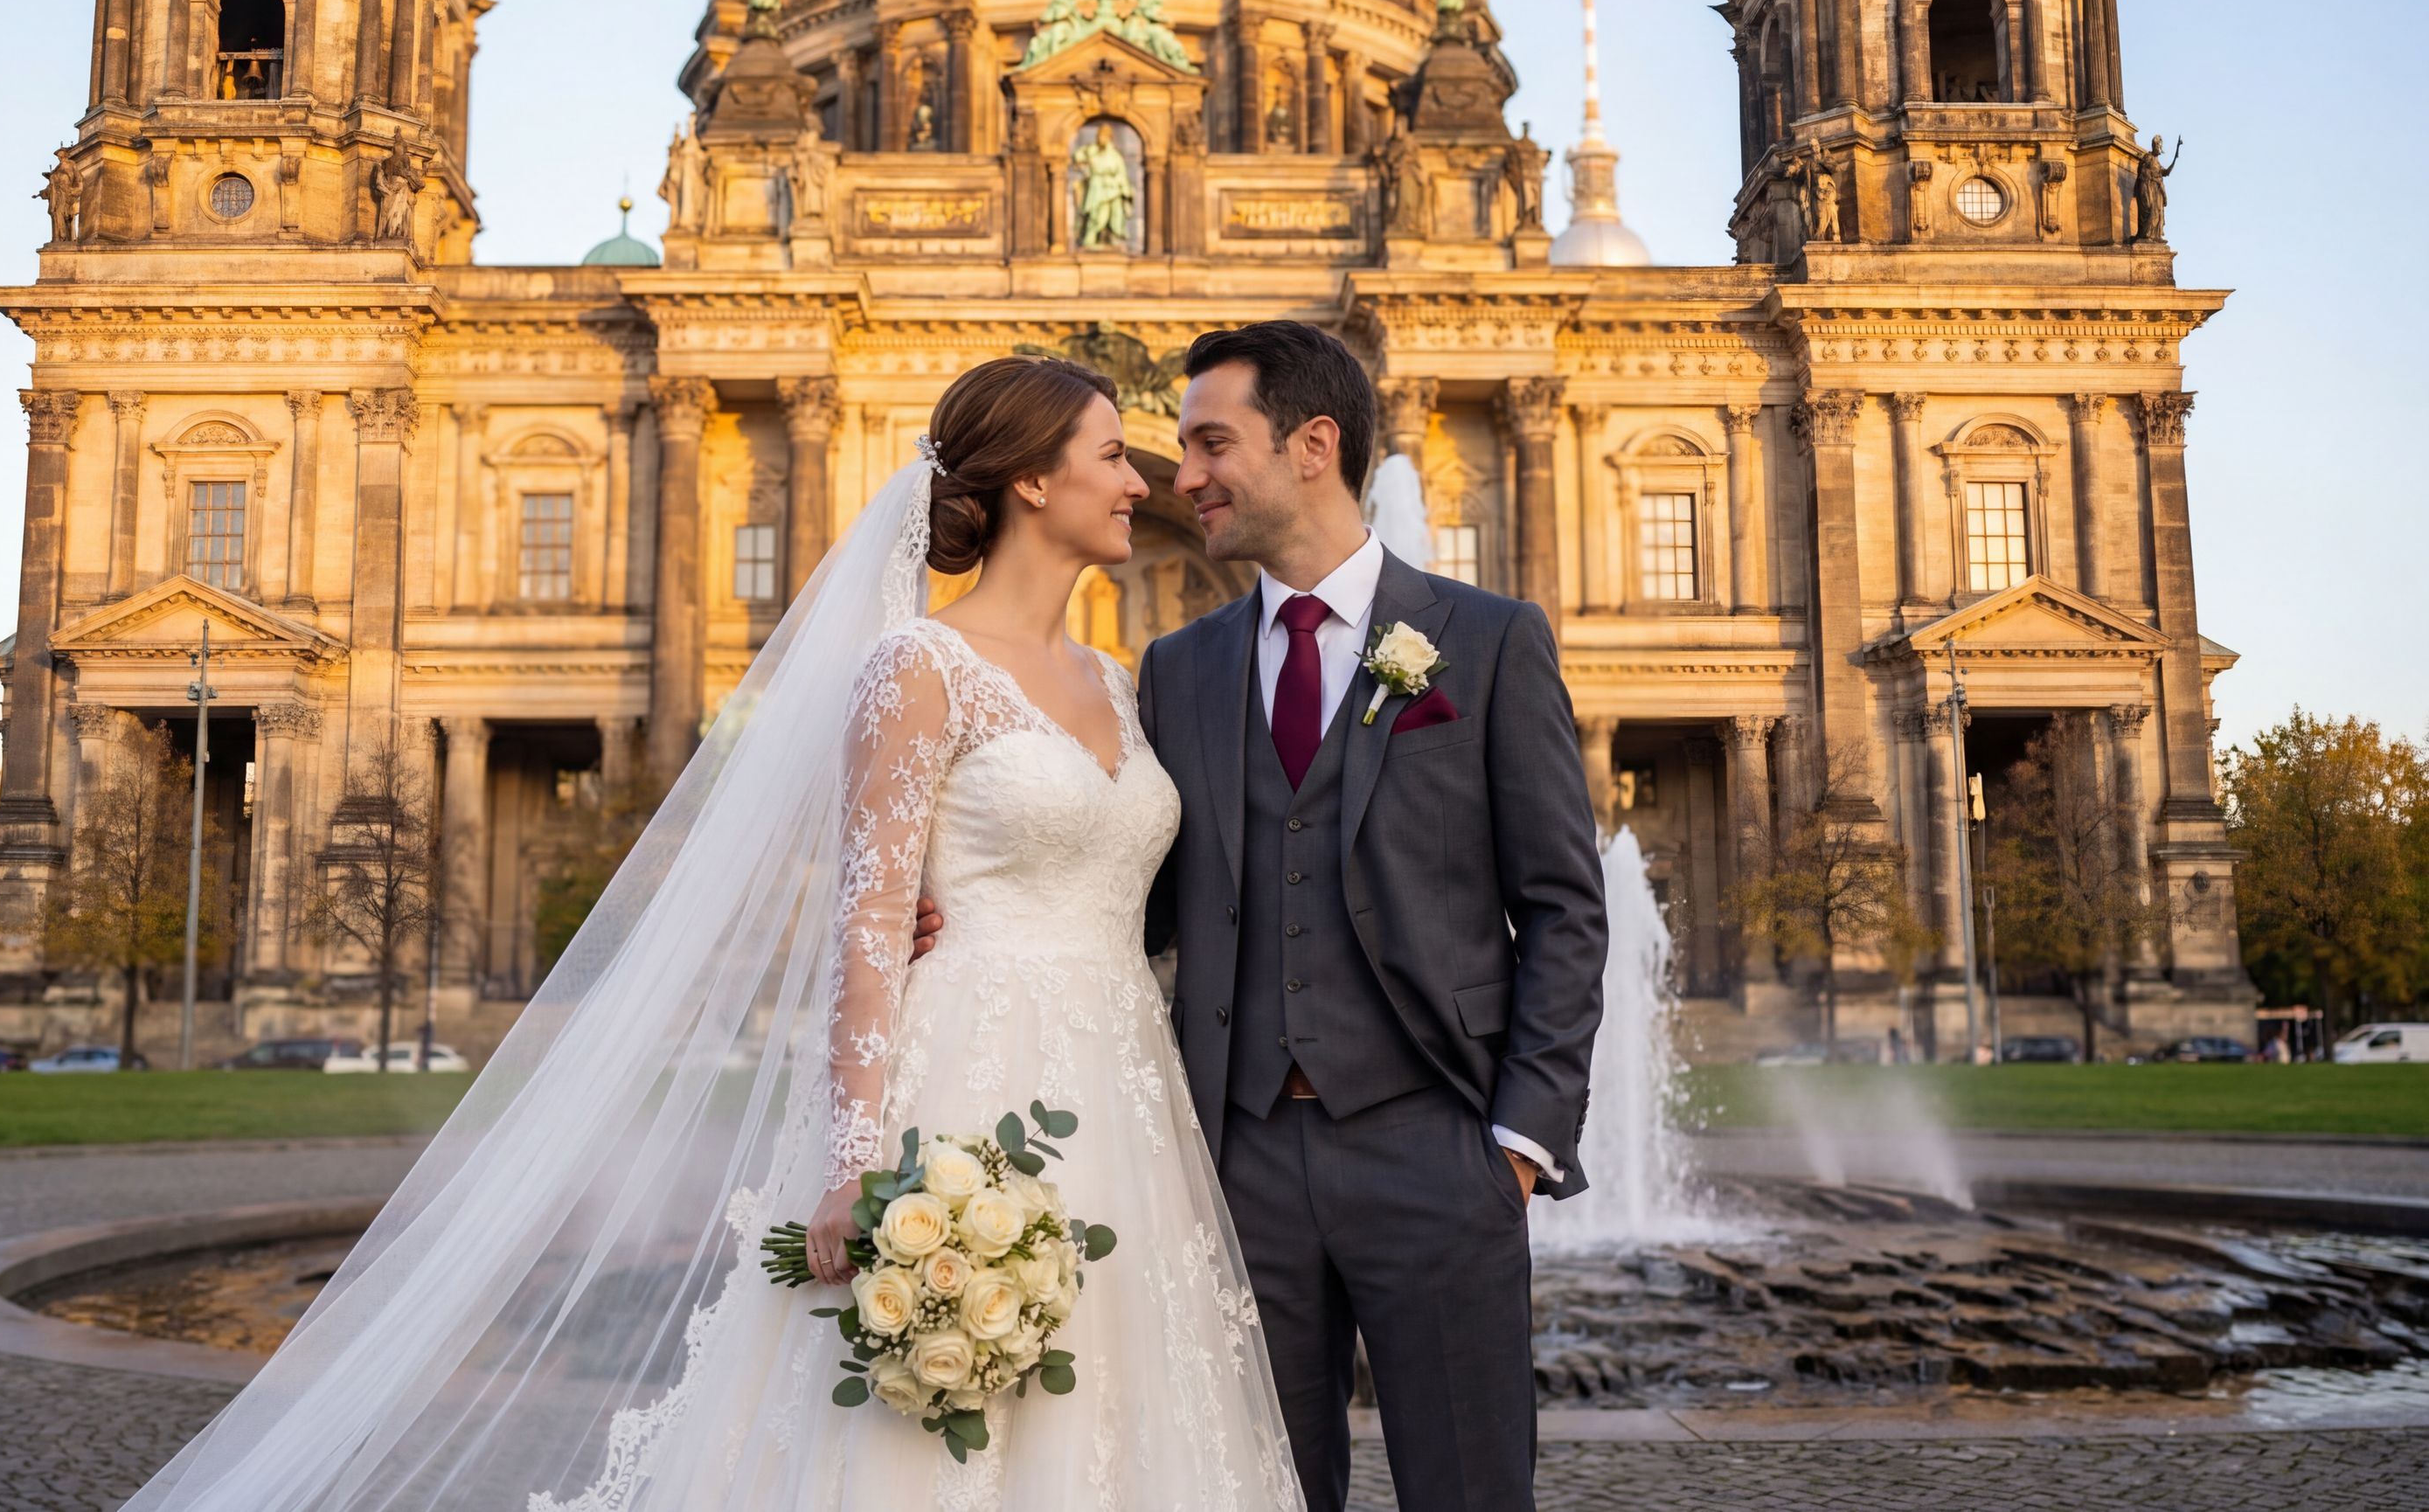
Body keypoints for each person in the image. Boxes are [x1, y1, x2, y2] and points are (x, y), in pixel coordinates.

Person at [120, 356, 1302, 1512]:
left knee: (1127, 1402)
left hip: (1129, 1089)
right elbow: (870, 927)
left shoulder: (1120, 677)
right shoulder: (916, 665)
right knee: (937, 1425)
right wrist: (850, 1163)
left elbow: (1137, 879)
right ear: (1032, 483)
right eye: (1112, 455)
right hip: (972, 1071)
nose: (1142, 481)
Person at [927, 322, 1608, 1511]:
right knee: (1251, 1491)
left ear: (1313, 445)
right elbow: (1131, 899)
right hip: (1230, 1168)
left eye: (1208, 443)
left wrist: (1518, 1143)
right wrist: (967, 912)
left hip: (1439, 1151)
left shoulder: (1490, 642)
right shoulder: (1174, 668)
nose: (1179, 476)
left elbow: (1562, 904)